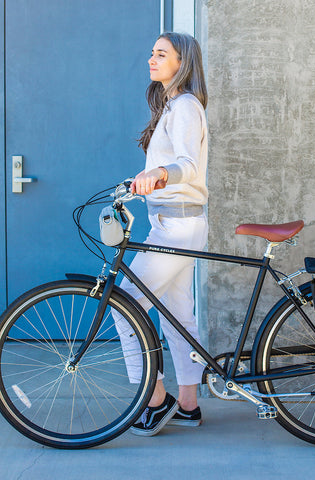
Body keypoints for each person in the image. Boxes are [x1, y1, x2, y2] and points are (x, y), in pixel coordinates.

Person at [112, 32, 208, 437]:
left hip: (179, 227)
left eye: (161, 53)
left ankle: (155, 398)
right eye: (151, 51)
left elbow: (186, 164)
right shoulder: (172, 106)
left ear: (181, 61)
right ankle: (188, 404)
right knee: (178, 315)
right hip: (173, 223)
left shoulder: (185, 107)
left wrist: (160, 173)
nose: (152, 58)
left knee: (124, 305)